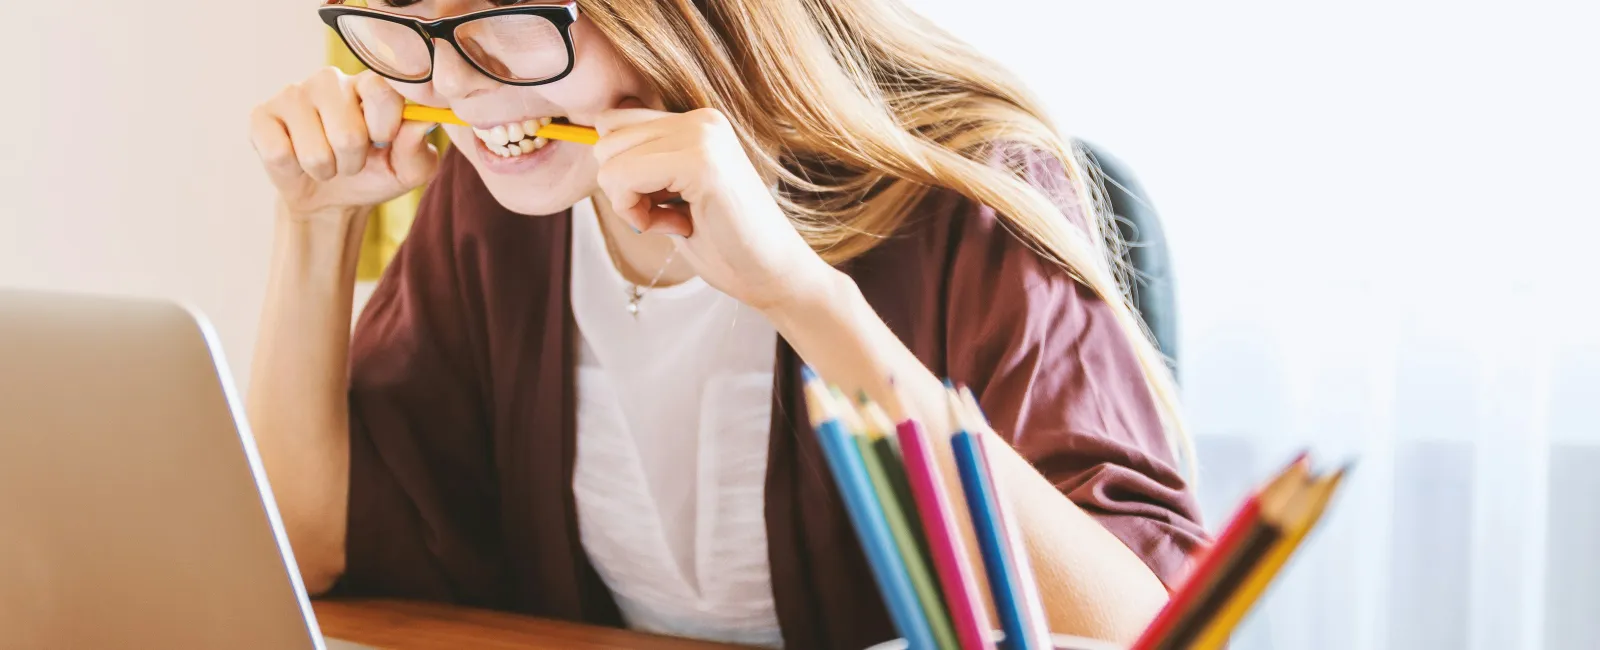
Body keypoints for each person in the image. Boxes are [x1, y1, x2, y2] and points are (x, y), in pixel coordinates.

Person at [245, 0, 1207, 647]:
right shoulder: (496, 205)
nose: (454, 85)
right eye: (408, 22)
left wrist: (802, 294)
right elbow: (308, 550)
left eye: (506, 13)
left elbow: (1136, 629)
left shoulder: (964, 197)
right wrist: (316, 225)